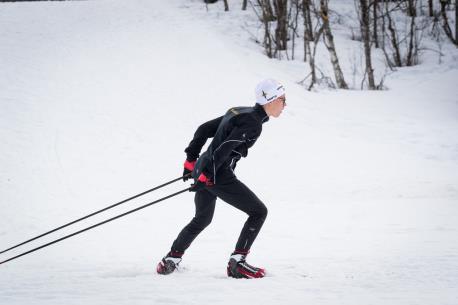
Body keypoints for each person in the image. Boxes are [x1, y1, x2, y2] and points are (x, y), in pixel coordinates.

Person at [156, 79, 286, 279]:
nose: (285, 105)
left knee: (202, 218)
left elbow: (203, 129)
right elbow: (225, 147)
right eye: (282, 100)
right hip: (216, 173)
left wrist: (192, 161)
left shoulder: (239, 111)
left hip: (205, 168)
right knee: (259, 212)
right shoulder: (252, 123)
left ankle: (170, 260)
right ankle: (238, 263)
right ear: (270, 100)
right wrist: (207, 175)